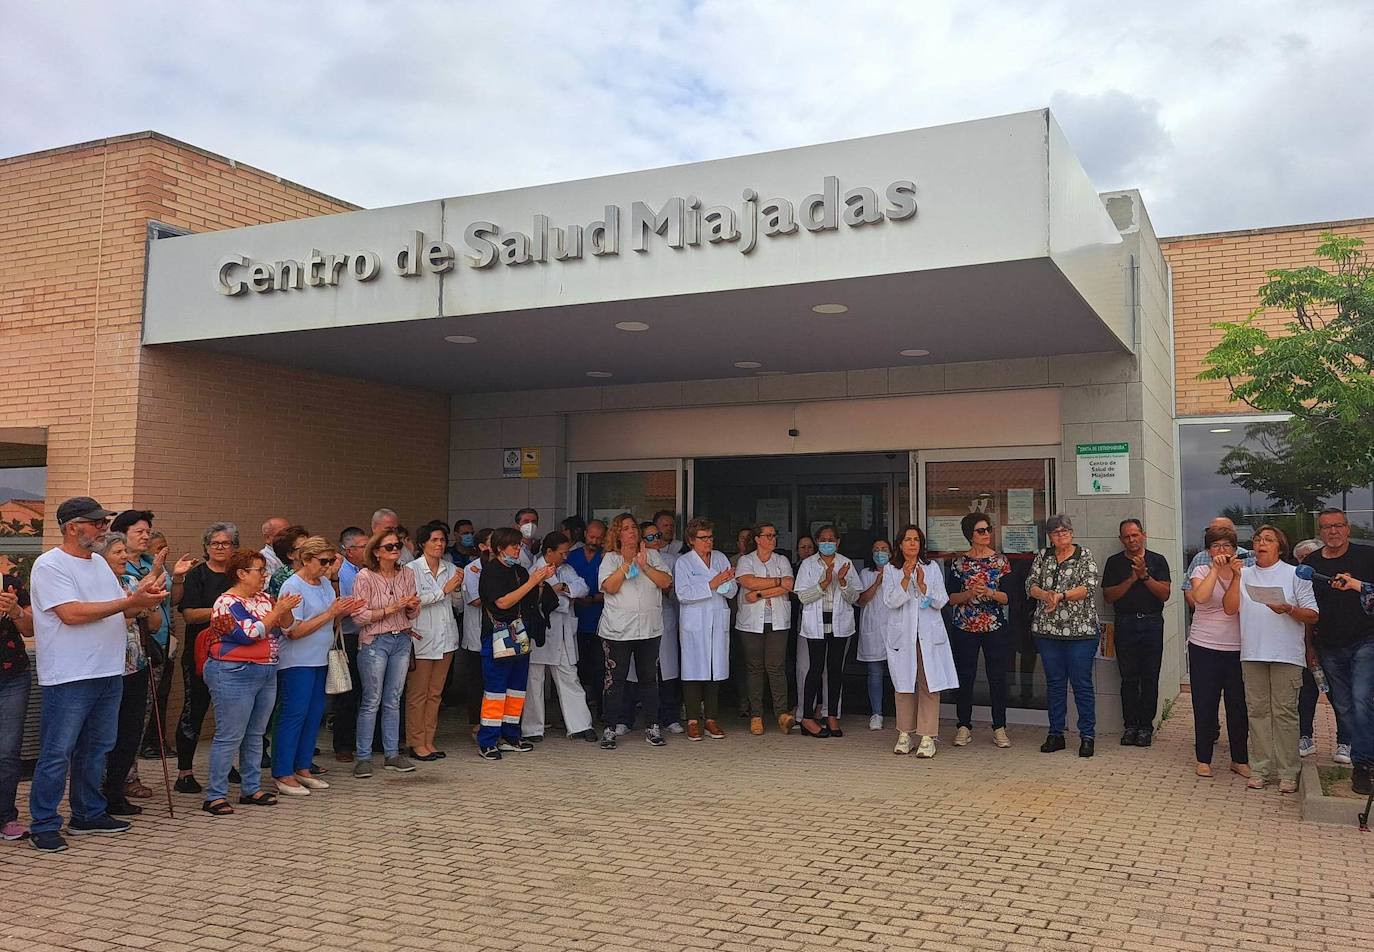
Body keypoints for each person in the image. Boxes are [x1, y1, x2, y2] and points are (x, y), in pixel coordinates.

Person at [27, 497, 167, 852]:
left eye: (105, 522)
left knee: (97, 747)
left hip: (108, 670)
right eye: (98, 523)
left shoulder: (101, 567)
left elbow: (118, 614)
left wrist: (142, 599)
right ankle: (44, 823)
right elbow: (71, 614)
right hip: (70, 675)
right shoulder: (50, 565)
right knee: (58, 751)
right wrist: (131, 601)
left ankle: (88, 814)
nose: (105, 528)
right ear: (74, 527)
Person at [200, 549, 301, 816]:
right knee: (229, 735)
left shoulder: (265, 598)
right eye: (259, 571)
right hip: (234, 671)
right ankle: (215, 795)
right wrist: (277, 610)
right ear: (242, 574)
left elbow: (287, 627)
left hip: (265, 670)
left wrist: (285, 609)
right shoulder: (226, 602)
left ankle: (251, 787)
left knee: (256, 734)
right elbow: (250, 633)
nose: (264, 576)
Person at [1223, 524, 1318, 793]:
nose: (1261, 543)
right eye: (1257, 539)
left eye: (1268, 539)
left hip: (1285, 654)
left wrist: (1288, 609)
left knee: (1285, 714)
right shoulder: (1244, 573)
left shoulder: (1293, 574)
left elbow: (1312, 614)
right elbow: (1230, 608)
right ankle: (1261, 768)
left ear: (1280, 546)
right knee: (1257, 713)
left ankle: (1289, 772)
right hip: (1252, 653)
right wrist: (1234, 577)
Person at [274, 538, 361, 796]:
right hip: (297, 661)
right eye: (323, 561)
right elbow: (292, 631)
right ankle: (282, 771)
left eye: (331, 561)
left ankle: (302, 767)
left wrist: (344, 610)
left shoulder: (324, 583)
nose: (328, 567)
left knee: (314, 715)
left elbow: (330, 621)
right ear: (306, 559)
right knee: (293, 715)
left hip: (321, 657)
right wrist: (331, 613)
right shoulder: (292, 586)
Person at [1303, 507, 1374, 794]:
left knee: (1361, 700)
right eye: (1326, 527)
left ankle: (1362, 765)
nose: (1333, 531)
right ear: (1320, 532)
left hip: (1366, 640)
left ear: (1348, 528)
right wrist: (1310, 647)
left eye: (1338, 525)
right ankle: (1364, 753)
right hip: (1329, 646)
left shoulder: (1367, 557)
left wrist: (1356, 586)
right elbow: (1307, 608)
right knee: (1343, 708)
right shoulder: (1310, 563)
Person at [478, 527, 557, 759]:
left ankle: (511, 735)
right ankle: (488, 740)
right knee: (495, 690)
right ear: (500, 548)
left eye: (519, 545)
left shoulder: (520, 571)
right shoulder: (491, 571)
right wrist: (533, 581)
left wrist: (541, 583)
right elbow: (502, 602)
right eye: (513, 546)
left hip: (520, 634)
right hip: (497, 635)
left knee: (516, 690)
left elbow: (532, 599)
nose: (517, 549)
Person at [1026, 514, 1100, 758]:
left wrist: (1061, 596)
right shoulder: (1043, 556)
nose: (1061, 535)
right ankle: (1055, 733)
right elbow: (1030, 584)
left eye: (1065, 531)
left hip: (1081, 632)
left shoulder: (1084, 555)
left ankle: (1087, 735)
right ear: (1050, 536)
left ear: (1072, 532)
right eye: (1056, 532)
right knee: (1055, 684)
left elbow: (1088, 587)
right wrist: (1044, 595)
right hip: (1048, 632)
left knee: (1081, 684)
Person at [348, 529, 421, 777]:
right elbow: (359, 617)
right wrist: (391, 609)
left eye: (397, 545)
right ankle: (364, 757)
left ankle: (392, 754)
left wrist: (411, 608)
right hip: (375, 641)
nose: (394, 550)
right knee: (372, 699)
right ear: (377, 552)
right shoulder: (364, 577)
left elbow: (412, 613)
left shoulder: (408, 573)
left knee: (394, 698)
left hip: (402, 638)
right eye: (388, 546)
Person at [110, 511, 182, 762]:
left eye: (147, 532)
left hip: (152, 645)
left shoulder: (152, 562)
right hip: (119, 653)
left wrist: (174, 576)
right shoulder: (113, 569)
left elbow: (168, 602)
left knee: (141, 715)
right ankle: (118, 776)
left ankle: (130, 773)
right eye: (139, 532)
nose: (145, 536)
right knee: (117, 719)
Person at [598, 513, 672, 750]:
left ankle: (653, 726)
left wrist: (644, 565)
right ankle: (610, 727)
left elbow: (666, 583)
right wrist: (627, 564)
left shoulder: (653, 555)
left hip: (649, 629)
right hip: (618, 630)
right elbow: (608, 587)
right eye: (626, 528)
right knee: (615, 680)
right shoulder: (610, 558)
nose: (631, 532)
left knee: (649, 679)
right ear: (617, 534)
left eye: (634, 527)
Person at [883, 525, 958, 758]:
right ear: (899, 544)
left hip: (927, 636)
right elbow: (890, 601)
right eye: (908, 539)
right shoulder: (890, 569)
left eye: (916, 539)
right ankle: (905, 733)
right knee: (904, 685)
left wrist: (924, 586)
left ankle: (927, 736)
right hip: (903, 637)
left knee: (929, 684)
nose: (912, 543)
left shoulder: (932, 567)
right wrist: (905, 579)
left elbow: (942, 600)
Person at [173, 523, 237, 792]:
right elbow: (188, 614)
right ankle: (184, 772)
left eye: (227, 543)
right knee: (194, 710)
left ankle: (226, 765)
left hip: (235, 651)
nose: (221, 548)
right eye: (215, 543)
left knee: (231, 714)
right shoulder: (197, 575)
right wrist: (225, 610)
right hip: (201, 653)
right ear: (206, 547)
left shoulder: (238, 575)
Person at [92, 532, 151, 818]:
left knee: (130, 733)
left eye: (125, 552)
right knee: (104, 735)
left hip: (135, 665)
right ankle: (95, 795)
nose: (125, 557)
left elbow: (153, 621)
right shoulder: (97, 586)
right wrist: (130, 607)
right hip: (107, 669)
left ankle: (115, 792)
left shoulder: (131, 582)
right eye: (118, 552)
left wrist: (148, 604)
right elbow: (114, 620)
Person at [1101, 519, 1172, 747]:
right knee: (1128, 678)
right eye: (1127, 537)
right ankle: (1130, 725)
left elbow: (1165, 594)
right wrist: (1132, 578)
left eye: (1135, 535)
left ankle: (1146, 727)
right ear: (1121, 539)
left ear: (1143, 535)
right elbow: (1109, 596)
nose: (1131, 540)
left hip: (1151, 624)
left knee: (1150, 677)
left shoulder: (1158, 560)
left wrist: (1144, 576)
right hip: (1125, 624)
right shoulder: (1114, 563)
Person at [945, 513, 1013, 749]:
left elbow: (1008, 598)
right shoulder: (958, 563)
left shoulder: (1001, 561)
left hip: (994, 626)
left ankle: (999, 727)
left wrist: (990, 592)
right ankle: (963, 725)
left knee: (997, 676)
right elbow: (950, 598)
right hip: (965, 625)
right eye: (981, 531)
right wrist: (969, 594)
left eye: (988, 529)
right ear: (970, 535)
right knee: (965, 676)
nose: (987, 534)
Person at [1186, 525, 1249, 779]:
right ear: (1208, 551)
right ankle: (1203, 759)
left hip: (1237, 648)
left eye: (1226, 546)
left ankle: (1239, 758)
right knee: (1204, 704)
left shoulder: (1246, 572)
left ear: (1235, 550)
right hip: (1204, 646)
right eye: (1215, 546)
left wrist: (1235, 575)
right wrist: (1214, 569)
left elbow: (1240, 607)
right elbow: (1199, 597)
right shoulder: (1201, 569)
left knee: (1238, 706)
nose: (1221, 550)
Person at [523, 531, 596, 742]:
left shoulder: (567, 569)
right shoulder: (534, 570)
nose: (565, 556)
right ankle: (532, 728)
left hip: (562, 632)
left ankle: (580, 725)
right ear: (549, 552)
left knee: (569, 677)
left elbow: (583, 587)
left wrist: (563, 588)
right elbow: (541, 601)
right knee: (535, 680)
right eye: (562, 553)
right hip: (541, 631)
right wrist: (560, 596)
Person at [795, 525, 861, 738]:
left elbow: (855, 598)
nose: (828, 542)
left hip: (839, 625)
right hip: (816, 625)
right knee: (814, 670)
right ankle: (806, 717)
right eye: (823, 539)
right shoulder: (807, 564)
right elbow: (802, 597)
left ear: (838, 542)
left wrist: (842, 582)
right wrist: (823, 584)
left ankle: (832, 715)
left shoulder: (846, 564)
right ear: (817, 541)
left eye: (831, 539)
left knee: (835, 671)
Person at [674, 518, 738, 741]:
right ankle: (693, 720)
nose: (708, 542)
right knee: (693, 672)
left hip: (717, 620)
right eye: (703, 538)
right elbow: (683, 594)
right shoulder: (683, 563)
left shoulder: (720, 558)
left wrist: (724, 582)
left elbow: (732, 590)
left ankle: (711, 719)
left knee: (715, 671)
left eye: (710, 537)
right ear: (691, 540)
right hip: (695, 623)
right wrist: (712, 584)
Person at [405, 521, 463, 761]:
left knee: (435, 693)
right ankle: (415, 741)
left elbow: (457, 604)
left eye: (442, 540)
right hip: (422, 637)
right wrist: (445, 590)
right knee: (418, 693)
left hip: (446, 637)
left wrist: (457, 590)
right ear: (422, 544)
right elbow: (414, 600)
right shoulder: (411, 569)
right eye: (434, 540)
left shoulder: (451, 568)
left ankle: (429, 740)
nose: (439, 544)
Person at [736, 522, 796, 735]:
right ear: (757, 539)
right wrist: (776, 583)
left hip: (778, 620)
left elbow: (788, 585)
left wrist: (759, 594)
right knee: (754, 668)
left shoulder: (782, 560)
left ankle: (782, 713)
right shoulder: (746, 560)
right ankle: (756, 715)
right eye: (768, 535)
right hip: (751, 622)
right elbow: (748, 582)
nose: (773, 539)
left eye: (774, 535)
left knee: (776, 667)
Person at [0, 561, 33, 841]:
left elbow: (30, 628)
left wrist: (15, 611)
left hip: (12, 675)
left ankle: (6, 817)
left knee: (8, 751)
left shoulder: (11, 584)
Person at [330, 527, 368, 762]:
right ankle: (343, 743)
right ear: (349, 550)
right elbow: (340, 605)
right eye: (364, 546)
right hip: (347, 637)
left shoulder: (366, 570)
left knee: (366, 691)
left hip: (367, 634)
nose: (368, 550)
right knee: (347, 692)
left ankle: (364, 739)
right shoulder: (341, 572)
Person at [645, 519, 684, 733]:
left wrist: (667, 590)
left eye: (657, 536)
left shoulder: (673, 560)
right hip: (641, 620)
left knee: (668, 670)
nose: (656, 540)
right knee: (638, 671)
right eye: (650, 537)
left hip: (665, 615)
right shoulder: (633, 561)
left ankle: (670, 717)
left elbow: (677, 590)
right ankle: (628, 718)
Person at [567, 520, 607, 718]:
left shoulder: (607, 558)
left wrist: (593, 598)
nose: (595, 541)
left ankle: (601, 711)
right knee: (578, 668)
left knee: (601, 668)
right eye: (592, 536)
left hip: (600, 620)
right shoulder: (571, 557)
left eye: (599, 538)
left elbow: (612, 588)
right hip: (575, 620)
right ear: (584, 534)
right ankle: (579, 712)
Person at [459, 528, 495, 737]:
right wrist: (500, 595)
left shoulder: (504, 567)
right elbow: (475, 600)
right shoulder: (472, 569)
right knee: (477, 681)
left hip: (499, 632)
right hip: (477, 634)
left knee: (495, 681)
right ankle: (477, 723)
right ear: (482, 547)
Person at [856, 540, 892, 732]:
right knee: (875, 674)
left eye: (884, 549)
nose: (880, 553)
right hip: (873, 629)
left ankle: (903, 713)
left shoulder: (898, 571)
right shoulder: (865, 574)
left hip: (895, 629)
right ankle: (876, 714)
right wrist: (877, 583)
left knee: (899, 674)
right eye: (876, 550)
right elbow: (861, 600)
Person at [1182, 517, 1253, 607]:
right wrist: (1202, 610)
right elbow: (1188, 589)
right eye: (1211, 530)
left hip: (1238, 616)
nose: (1221, 549)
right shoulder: (1199, 557)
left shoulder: (1246, 557)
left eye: (1221, 530)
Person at [267, 525, 309, 597]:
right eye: (304, 548)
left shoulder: (318, 567)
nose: (311, 550)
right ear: (290, 555)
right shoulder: (281, 577)